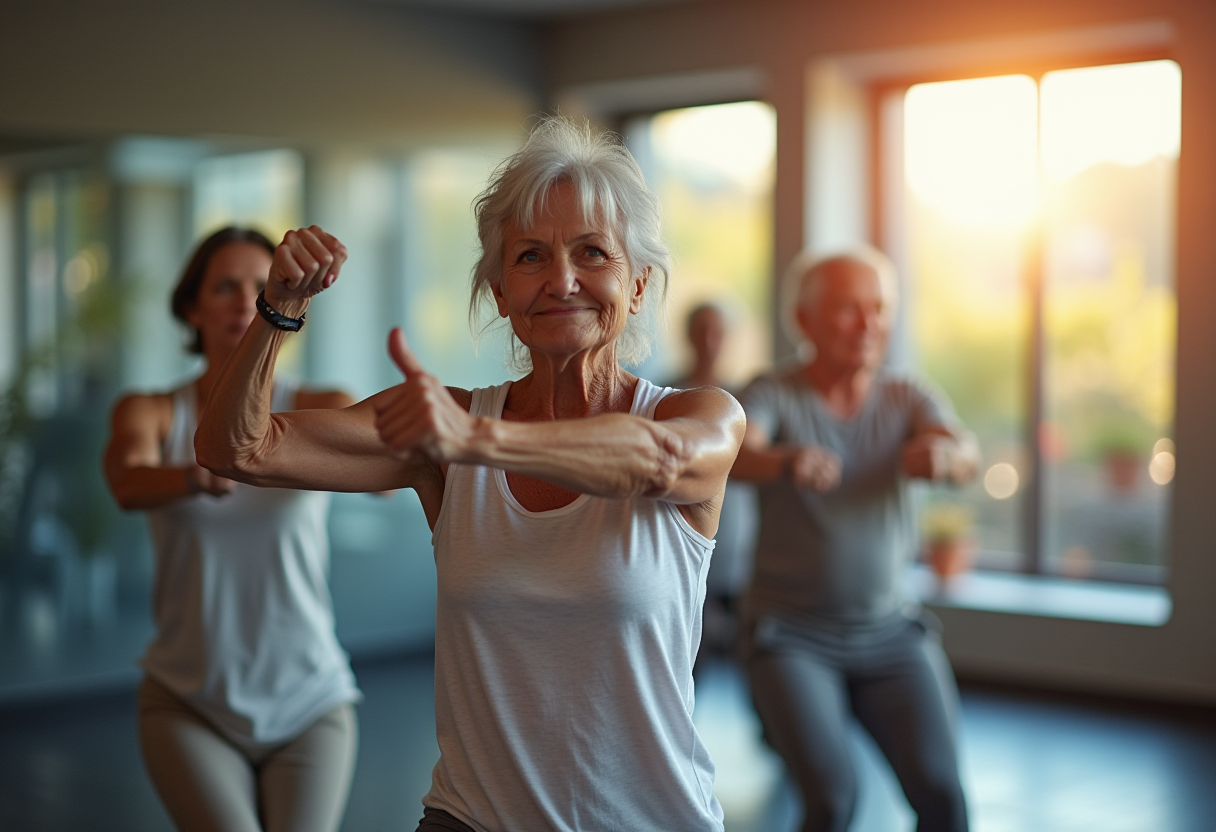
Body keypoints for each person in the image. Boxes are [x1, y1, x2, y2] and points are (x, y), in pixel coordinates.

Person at [194, 117, 745, 832]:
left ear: (637, 288)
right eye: (530, 257)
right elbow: (236, 449)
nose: (562, 279)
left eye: (592, 252)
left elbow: (654, 461)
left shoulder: (699, 414)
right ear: (500, 292)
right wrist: (278, 310)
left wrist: (479, 440)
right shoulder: (444, 431)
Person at [103, 227, 361, 832]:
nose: (245, 299)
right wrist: (202, 473)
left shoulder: (316, 404)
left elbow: (383, 475)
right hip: (189, 700)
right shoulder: (153, 411)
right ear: (192, 308)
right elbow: (127, 483)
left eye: (258, 284)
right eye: (225, 286)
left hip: (310, 700)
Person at [729, 246, 979, 832]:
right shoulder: (775, 390)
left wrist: (945, 456)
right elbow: (738, 452)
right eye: (848, 309)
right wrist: (784, 462)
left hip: (890, 632)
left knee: (943, 796)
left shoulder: (907, 395)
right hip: (790, 636)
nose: (869, 325)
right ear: (805, 321)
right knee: (835, 799)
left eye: (879, 309)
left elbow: (963, 449)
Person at [667, 302, 756, 662]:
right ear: (688, 336)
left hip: (739, 555)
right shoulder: (667, 395)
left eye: (717, 330)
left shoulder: (746, 401)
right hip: (684, 552)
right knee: (689, 662)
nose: (709, 340)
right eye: (701, 329)